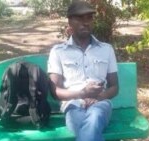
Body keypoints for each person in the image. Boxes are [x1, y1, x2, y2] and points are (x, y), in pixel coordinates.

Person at [47, 1, 119, 141]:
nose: (85, 22)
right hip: (73, 104)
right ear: (70, 22)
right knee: (88, 128)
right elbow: (55, 91)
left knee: (94, 117)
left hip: (100, 103)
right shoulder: (58, 52)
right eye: (80, 18)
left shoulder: (106, 49)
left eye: (89, 18)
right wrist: (81, 93)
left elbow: (115, 87)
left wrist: (98, 97)